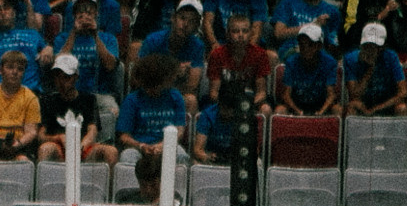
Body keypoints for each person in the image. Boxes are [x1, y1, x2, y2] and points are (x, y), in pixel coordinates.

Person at [119, 52, 193, 181]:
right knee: (127, 156)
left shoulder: (175, 96)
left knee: (181, 155)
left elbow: (180, 130)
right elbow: (124, 136)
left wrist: (163, 145)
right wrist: (142, 146)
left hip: (167, 145)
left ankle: (177, 195)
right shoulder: (132, 100)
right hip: (139, 147)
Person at [37, 53, 113, 164]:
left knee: (111, 151)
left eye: (66, 77)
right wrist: (58, 138)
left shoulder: (89, 99)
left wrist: (82, 146)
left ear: (75, 77)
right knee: (45, 148)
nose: (61, 82)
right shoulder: (47, 100)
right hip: (58, 146)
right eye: (57, 76)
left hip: (83, 146)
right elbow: (41, 135)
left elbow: (92, 130)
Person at [0, 50, 42, 159]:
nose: (15, 72)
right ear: (1, 70)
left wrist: (17, 144)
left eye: (20, 69)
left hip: (20, 144)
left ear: (24, 72)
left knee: (22, 160)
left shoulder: (31, 98)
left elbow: (31, 132)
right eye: (10, 67)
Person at [205, 14, 273, 114]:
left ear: (251, 33)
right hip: (224, 104)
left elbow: (261, 92)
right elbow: (214, 93)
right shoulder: (217, 55)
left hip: (250, 102)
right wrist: (229, 106)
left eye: (245, 31)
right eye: (235, 31)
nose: (240, 35)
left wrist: (244, 105)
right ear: (227, 34)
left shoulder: (260, 54)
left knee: (266, 109)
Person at [339, 21, 407, 117]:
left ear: (382, 47)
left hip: (386, 103)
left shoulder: (391, 56)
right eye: (367, 45)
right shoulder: (351, 59)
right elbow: (354, 95)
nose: (370, 49)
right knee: (351, 108)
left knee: (402, 108)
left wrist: (376, 109)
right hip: (362, 103)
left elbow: (403, 92)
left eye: (375, 46)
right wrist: (369, 70)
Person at [277, 24, 339, 116]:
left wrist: (320, 112)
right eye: (302, 44)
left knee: (337, 110)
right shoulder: (291, 62)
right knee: (280, 110)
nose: (305, 49)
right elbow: (286, 95)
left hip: (320, 105)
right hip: (297, 104)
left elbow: (331, 95)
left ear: (319, 46)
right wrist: (299, 112)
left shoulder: (330, 63)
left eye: (310, 45)